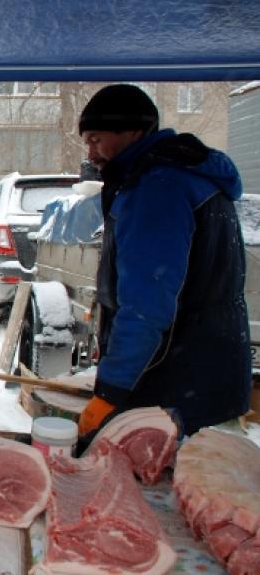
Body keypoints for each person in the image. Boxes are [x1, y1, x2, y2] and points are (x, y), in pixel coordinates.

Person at [76, 83, 251, 438]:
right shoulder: (189, 176)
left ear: (134, 132)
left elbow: (146, 304)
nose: (91, 155)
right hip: (209, 373)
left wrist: (110, 391)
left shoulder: (157, 189)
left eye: (96, 140)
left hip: (174, 382)